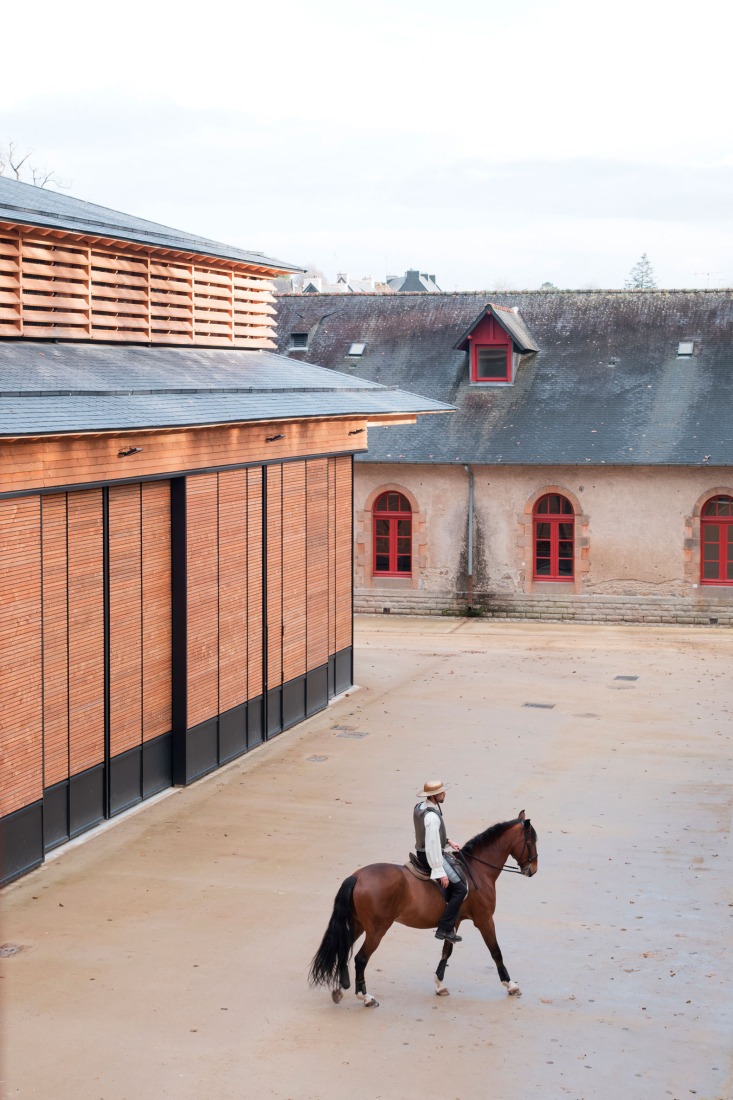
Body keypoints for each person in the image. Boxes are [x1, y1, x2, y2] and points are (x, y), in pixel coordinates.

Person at [413, 779, 468, 943]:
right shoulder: (431, 817)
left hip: (423, 850)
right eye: (442, 792)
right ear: (435, 795)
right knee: (460, 889)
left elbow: (431, 836)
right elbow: (431, 845)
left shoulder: (420, 807)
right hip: (431, 855)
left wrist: (448, 841)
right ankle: (444, 928)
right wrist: (439, 871)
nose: (445, 794)